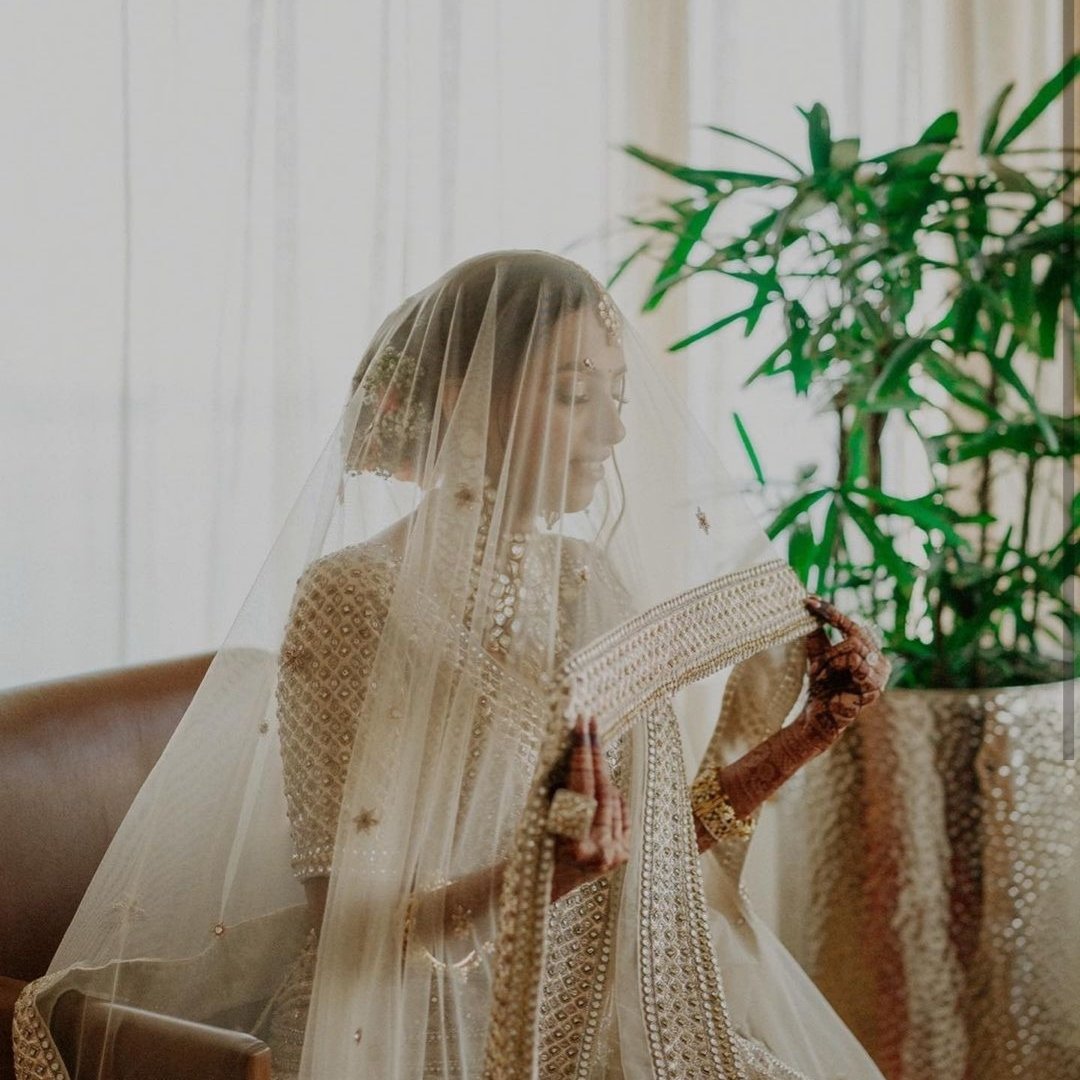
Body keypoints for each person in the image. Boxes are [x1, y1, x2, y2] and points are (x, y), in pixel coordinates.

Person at [15, 251, 888, 1079]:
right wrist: (542, 877)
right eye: (576, 395)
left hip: (597, 1016)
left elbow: (647, 849)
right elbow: (355, 928)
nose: (616, 430)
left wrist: (803, 738)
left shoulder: (587, 577)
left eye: (617, 395)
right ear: (472, 405)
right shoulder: (354, 597)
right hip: (421, 1032)